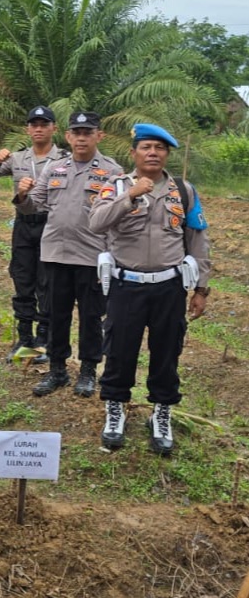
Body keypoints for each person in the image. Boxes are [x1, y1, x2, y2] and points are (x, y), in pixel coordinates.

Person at [88, 123, 211, 455]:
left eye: (159, 147)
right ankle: (115, 410)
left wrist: (201, 289)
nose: (153, 153)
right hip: (127, 285)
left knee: (167, 353)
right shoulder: (115, 187)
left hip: (169, 287)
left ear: (167, 153)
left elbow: (197, 240)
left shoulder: (183, 191)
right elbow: (96, 223)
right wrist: (130, 196)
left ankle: (162, 412)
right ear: (134, 153)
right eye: (146, 147)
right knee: (119, 351)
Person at [17, 112, 121, 398]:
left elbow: (120, 215)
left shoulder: (113, 172)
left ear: (99, 136)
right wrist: (22, 195)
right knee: (55, 315)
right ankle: (58, 369)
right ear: (68, 136)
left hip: (91, 257)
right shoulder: (55, 169)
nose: (82, 137)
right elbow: (33, 206)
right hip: (55, 254)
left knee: (91, 317)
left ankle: (88, 371)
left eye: (88, 132)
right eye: (77, 132)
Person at [0, 106, 67, 363]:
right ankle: (24, 339)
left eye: (44, 124)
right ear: (28, 129)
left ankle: (43, 340)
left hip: (51, 225)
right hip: (24, 225)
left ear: (54, 128)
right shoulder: (18, 159)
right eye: (34, 124)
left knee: (47, 281)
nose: (38, 129)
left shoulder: (64, 159)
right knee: (22, 277)